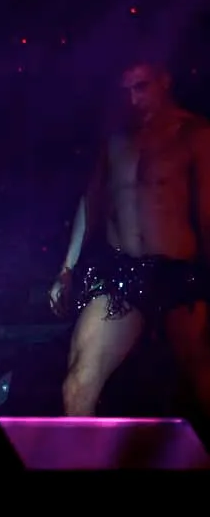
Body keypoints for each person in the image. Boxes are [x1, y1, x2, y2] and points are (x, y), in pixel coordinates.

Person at [49, 62, 210, 416]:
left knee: (204, 381)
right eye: (125, 91)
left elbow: (207, 210)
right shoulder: (116, 139)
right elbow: (91, 201)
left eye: (141, 87)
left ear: (164, 81)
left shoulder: (194, 134)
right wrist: (66, 268)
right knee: (77, 385)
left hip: (178, 273)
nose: (133, 100)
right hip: (121, 271)